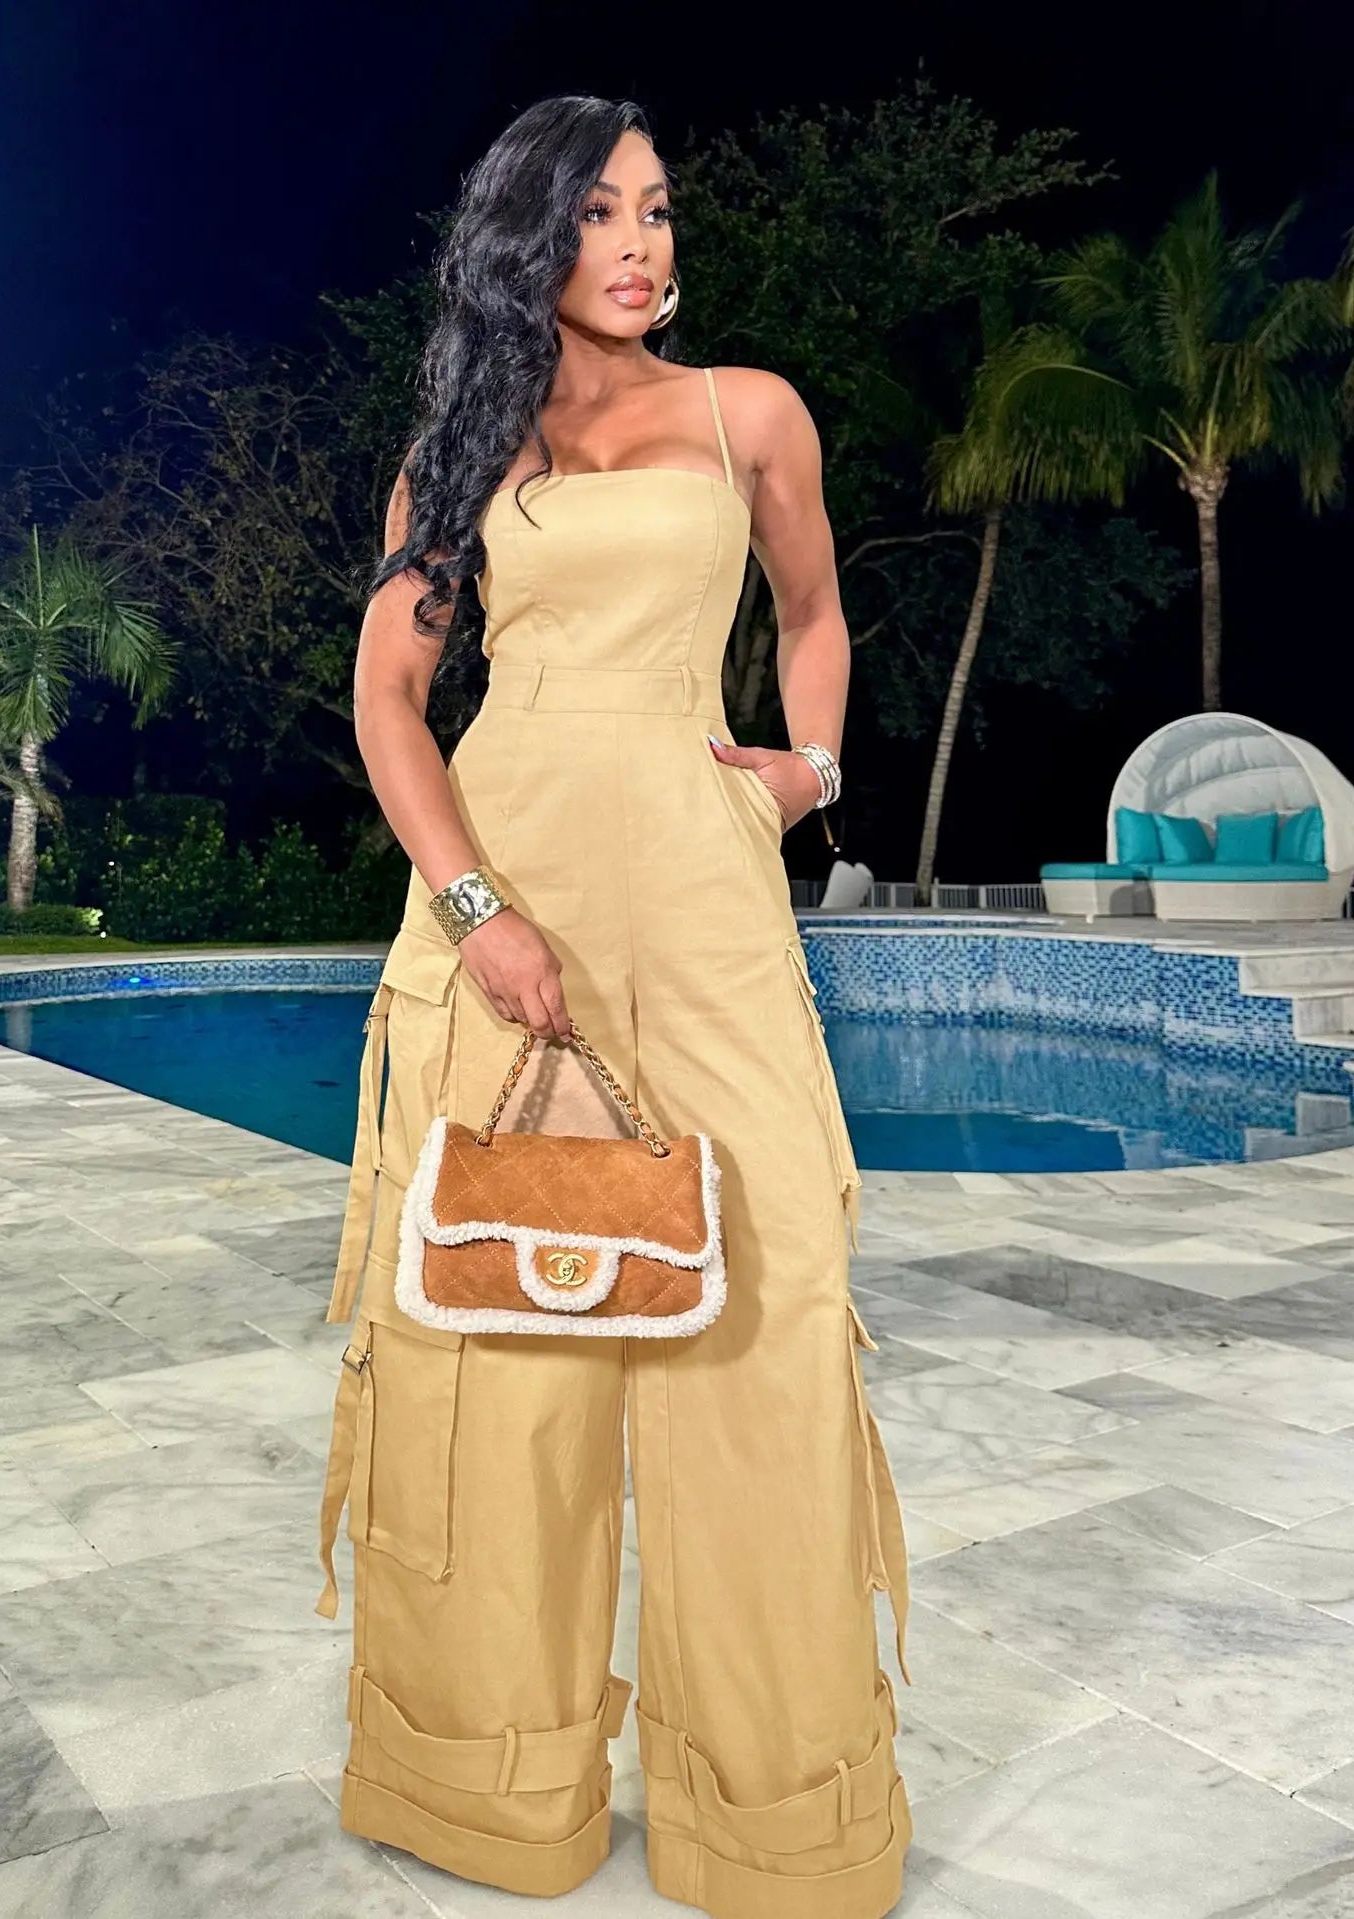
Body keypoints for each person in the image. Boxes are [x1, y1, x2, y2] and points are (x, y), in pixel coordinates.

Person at [313, 92, 913, 1919]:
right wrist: (479, 909)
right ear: (530, 241)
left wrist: (802, 773)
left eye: (658, 211)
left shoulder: (750, 415)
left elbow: (813, 615)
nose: (644, 246)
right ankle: (490, 1791)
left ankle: (774, 1823)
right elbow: (392, 709)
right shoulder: (458, 451)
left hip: (708, 897)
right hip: (506, 901)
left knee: (766, 1318)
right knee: (495, 1347)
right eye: (601, 216)